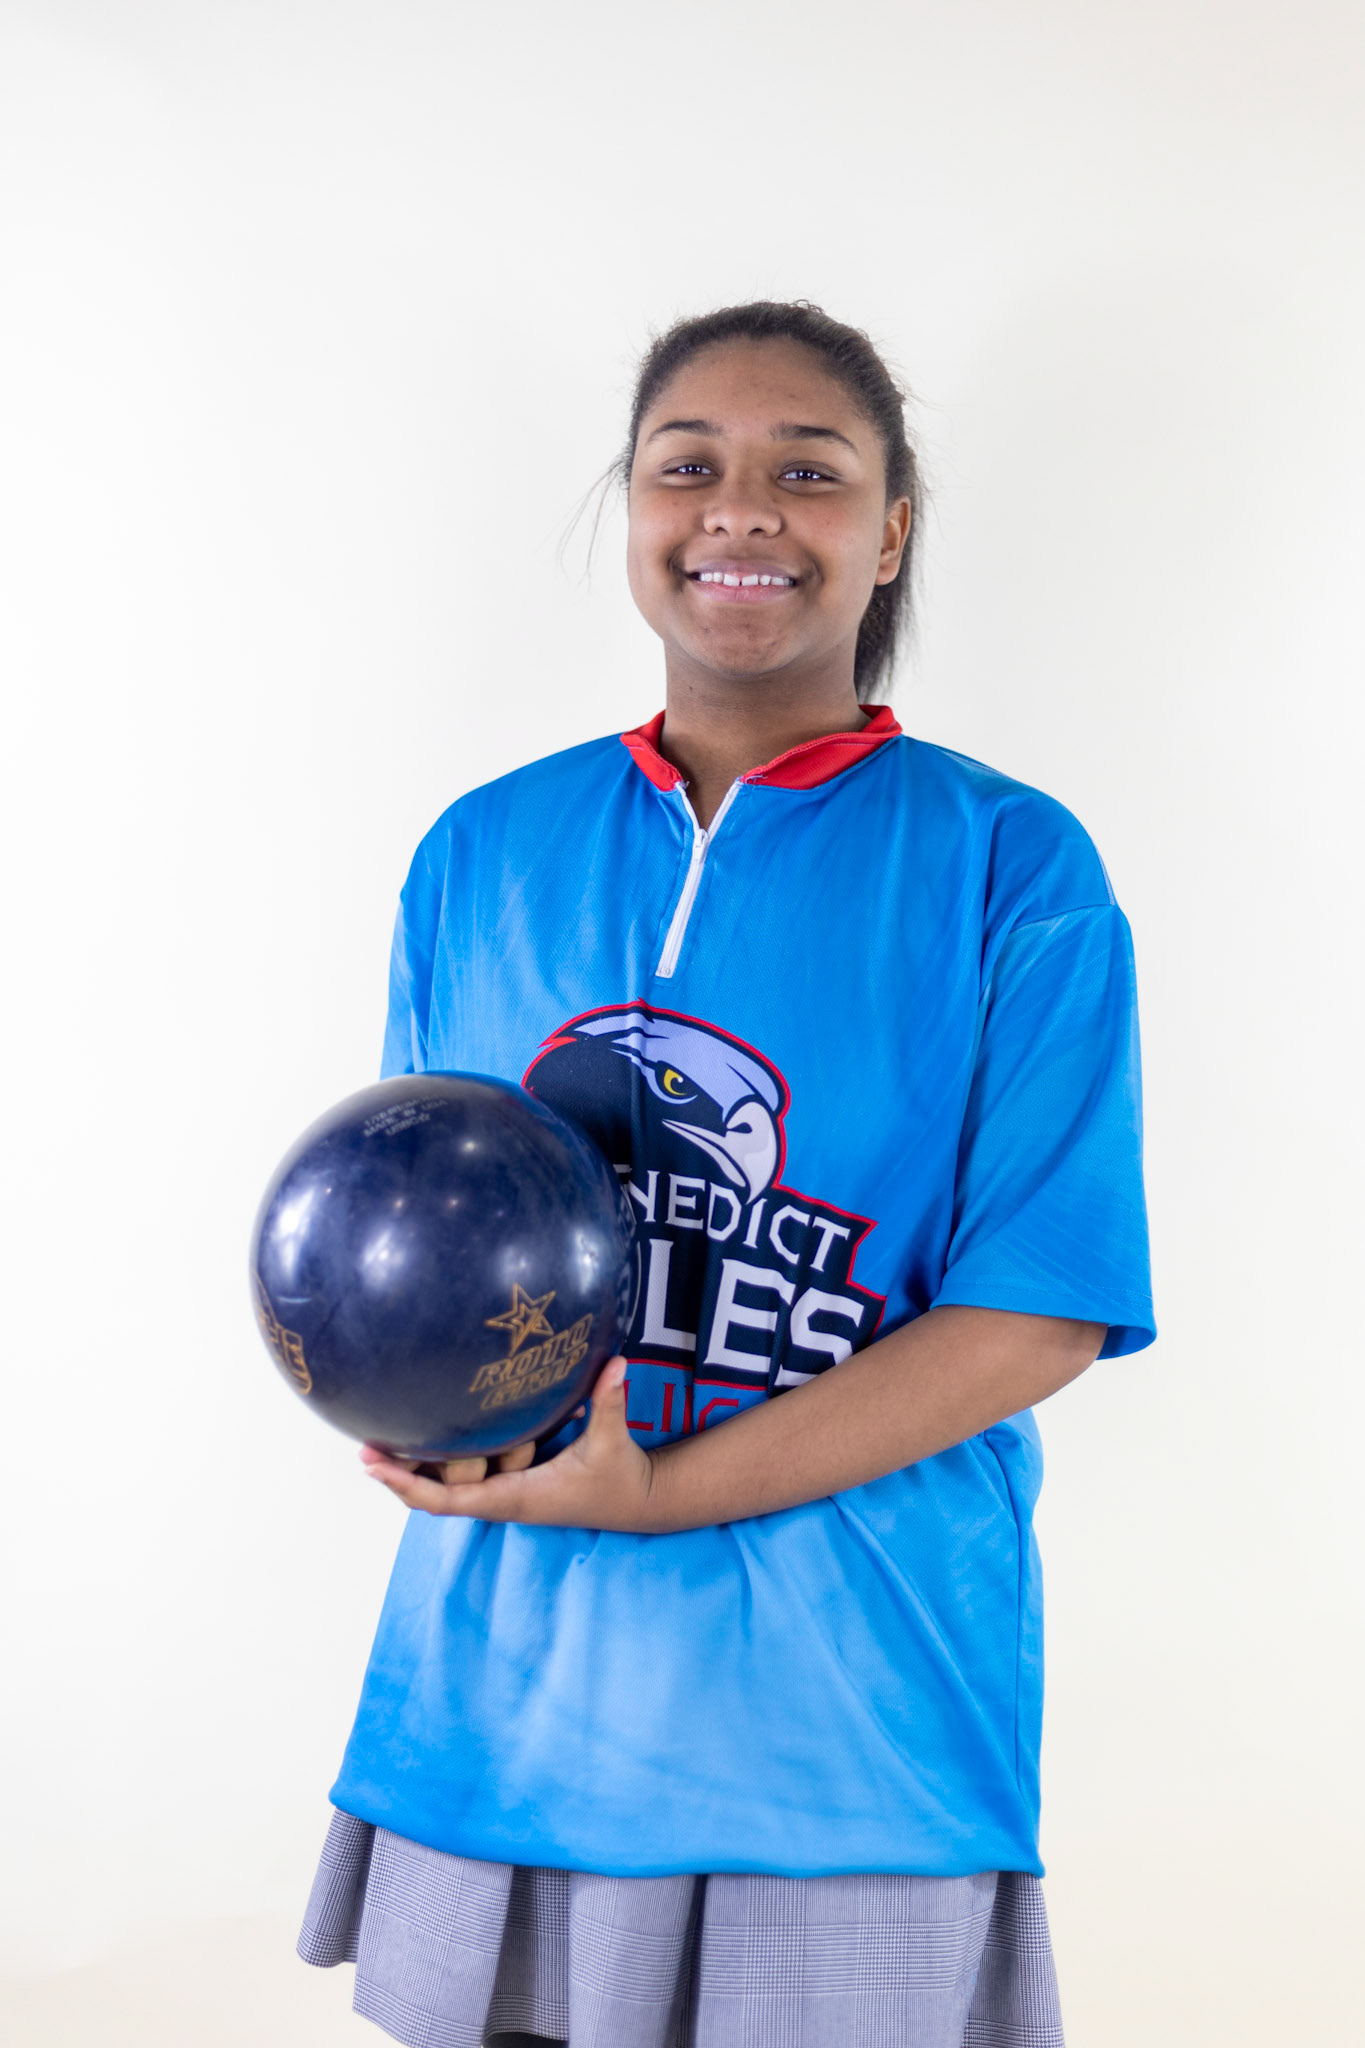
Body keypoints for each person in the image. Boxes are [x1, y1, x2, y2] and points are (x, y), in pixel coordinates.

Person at [297, 300, 1154, 2048]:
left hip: (845, 1731)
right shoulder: (482, 849)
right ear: (634, 511)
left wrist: (660, 1494)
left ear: (889, 533)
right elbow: (419, 1238)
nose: (740, 509)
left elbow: (1038, 1310)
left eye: (807, 472)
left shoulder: (1012, 866)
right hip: (508, 1704)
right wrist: (418, 1406)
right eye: (686, 466)